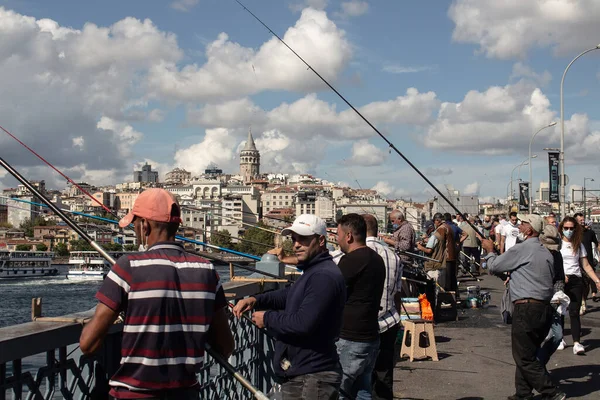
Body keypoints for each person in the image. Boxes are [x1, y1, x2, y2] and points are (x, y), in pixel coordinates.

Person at [80, 188, 234, 400]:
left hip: (135, 394)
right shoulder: (207, 270)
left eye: (135, 224)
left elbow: (88, 344)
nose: (134, 230)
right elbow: (226, 346)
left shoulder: (128, 266)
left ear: (144, 225)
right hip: (186, 394)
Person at [233, 214, 346, 399]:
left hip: (312, 377)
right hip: (305, 373)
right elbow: (290, 295)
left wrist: (267, 318)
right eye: (294, 239)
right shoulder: (315, 270)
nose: (296, 245)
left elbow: (303, 323)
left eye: (304, 239)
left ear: (321, 241)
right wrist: (256, 300)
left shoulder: (323, 276)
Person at [482, 214, 565, 400]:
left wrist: (489, 251)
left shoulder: (522, 248)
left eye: (523, 223)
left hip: (527, 309)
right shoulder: (545, 252)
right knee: (528, 353)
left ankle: (551, 391)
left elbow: (494, 266)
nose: (519, 226)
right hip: (543, 309)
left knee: (523, 357)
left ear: (530, 230)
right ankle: (523, 394)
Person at [336, 213, 385, 400]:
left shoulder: (351, 260)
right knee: (362, 391)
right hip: (370, 336)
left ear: (349, 236)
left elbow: (333, 291)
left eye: (339, 234)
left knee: (340, 390)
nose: (337, 239)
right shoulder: (376, 259)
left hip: (351, 338)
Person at [363, 214, 403, 400]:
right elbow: (397, 293)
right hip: (389, 321)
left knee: (360, 376)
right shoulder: (393, 256)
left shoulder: (352, 254)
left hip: (362, 325)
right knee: (384, 374)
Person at [557, 216, 600, 355]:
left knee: (574, 312)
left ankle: (577, 343)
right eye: (566, 228)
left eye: (571, 228)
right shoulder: (557, 245)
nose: (569, 231)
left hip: (576, 280)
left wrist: (597, 280)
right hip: (561, 280)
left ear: (575, 229)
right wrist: (560, 275)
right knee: (560, 311)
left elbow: (586, 265)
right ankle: (559, 339)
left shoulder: (578, 245)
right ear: (561, 229)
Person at [536, 224, 568, 368]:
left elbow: (559, 279)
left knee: (557, 335)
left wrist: (557, 298)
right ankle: (536, 369)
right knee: (535, 337)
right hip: (534, 300)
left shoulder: (557, 255)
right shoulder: (534, 253)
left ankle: (540, 363)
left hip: (552, 300)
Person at [574, 213, 599, 307]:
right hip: (577, 262)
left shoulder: (590, 233)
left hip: (588, 261)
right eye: (580, 220)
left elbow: (597, 244)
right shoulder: (574, 233)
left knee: (587, 283)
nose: (582, 221)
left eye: (583, 220)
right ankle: (582, 302)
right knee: (579, 284)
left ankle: (587, 296)